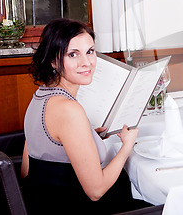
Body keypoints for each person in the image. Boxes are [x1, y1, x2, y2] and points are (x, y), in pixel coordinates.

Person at [21, 18, 149, 214]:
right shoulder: (68, 110)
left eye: (90, 51)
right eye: (73, 54)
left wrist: (86, 137)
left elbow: (26, 172)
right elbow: (96, 191)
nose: (86, 62)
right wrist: (127, 146)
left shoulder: (39, 97)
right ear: (53, 61)